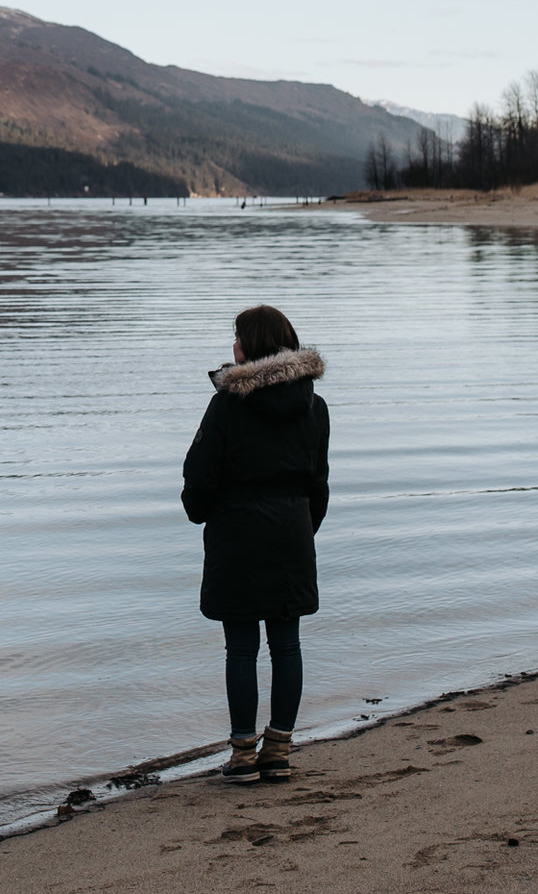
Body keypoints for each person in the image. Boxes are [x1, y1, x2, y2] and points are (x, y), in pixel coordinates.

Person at [180, 304, 329, 783]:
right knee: (287, 645)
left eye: (237, 336)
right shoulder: (315, 406)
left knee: (241, 648)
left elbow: (200, 472)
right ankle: (279, 751)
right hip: (291, 529)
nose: (232, 346)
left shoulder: (228, 403)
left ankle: (243, 754)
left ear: (253, 345)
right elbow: (319, 482)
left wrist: (198, 510)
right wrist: (304, 527)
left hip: (237, 532)